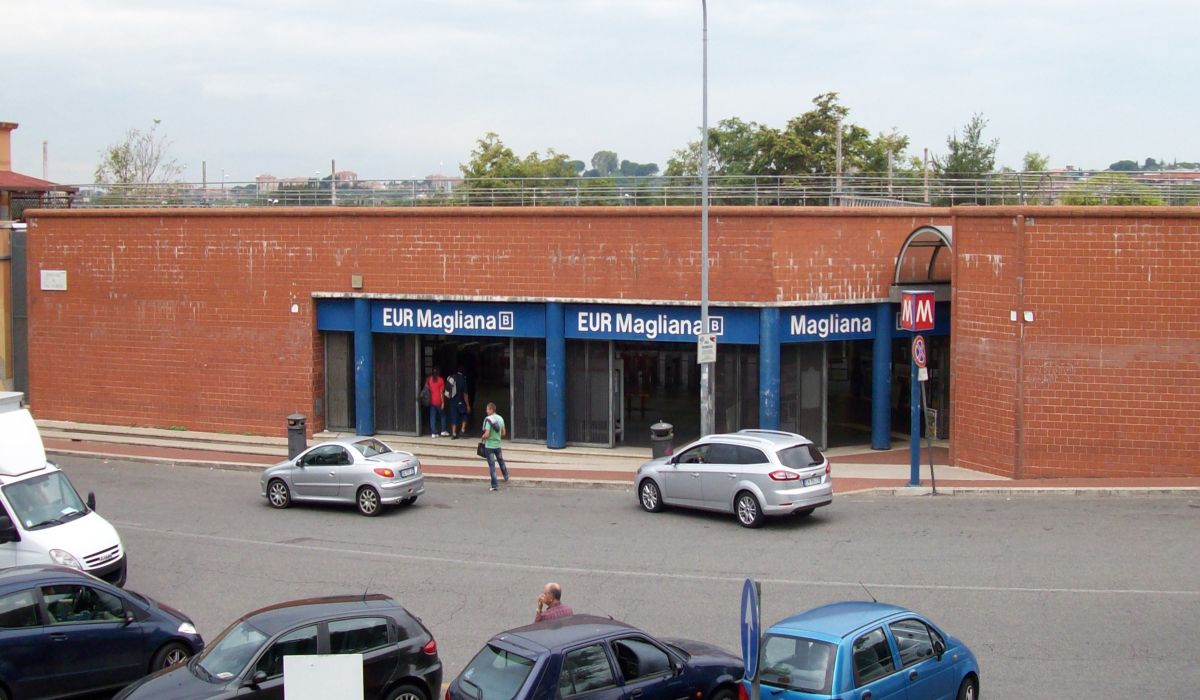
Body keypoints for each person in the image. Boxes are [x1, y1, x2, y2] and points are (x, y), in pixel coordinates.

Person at [481, 402, 508, 491]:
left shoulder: (488, 419)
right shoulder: (500, 418)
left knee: (492, 466)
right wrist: (497, 436)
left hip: (489, 446)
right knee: (501, 461)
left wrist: (483, 436)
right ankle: (506, 476)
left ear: (491, 410)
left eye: (487, 409)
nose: (486, 411)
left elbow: (487, 434)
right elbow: (504, 433)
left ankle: (494, 485)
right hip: (498, 445)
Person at [447, 366, 471, 439]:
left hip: (452, 401)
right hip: (460, 401)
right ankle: (462, 430)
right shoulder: (463, 379)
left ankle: (454, 433)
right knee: (465, 414)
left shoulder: (452, 378)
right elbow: (465, 394)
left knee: (454, 416)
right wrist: (468, 405)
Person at [424, 369, 448, 437]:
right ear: (439, 373)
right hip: (439, 400)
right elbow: (441, 392)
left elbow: (426, 387)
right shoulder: (441, 380)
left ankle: (433, 432)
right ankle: (443, 430)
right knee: (443, 415)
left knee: (432, 417)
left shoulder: (429, 379)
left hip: (432, 400)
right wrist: (443, 402)